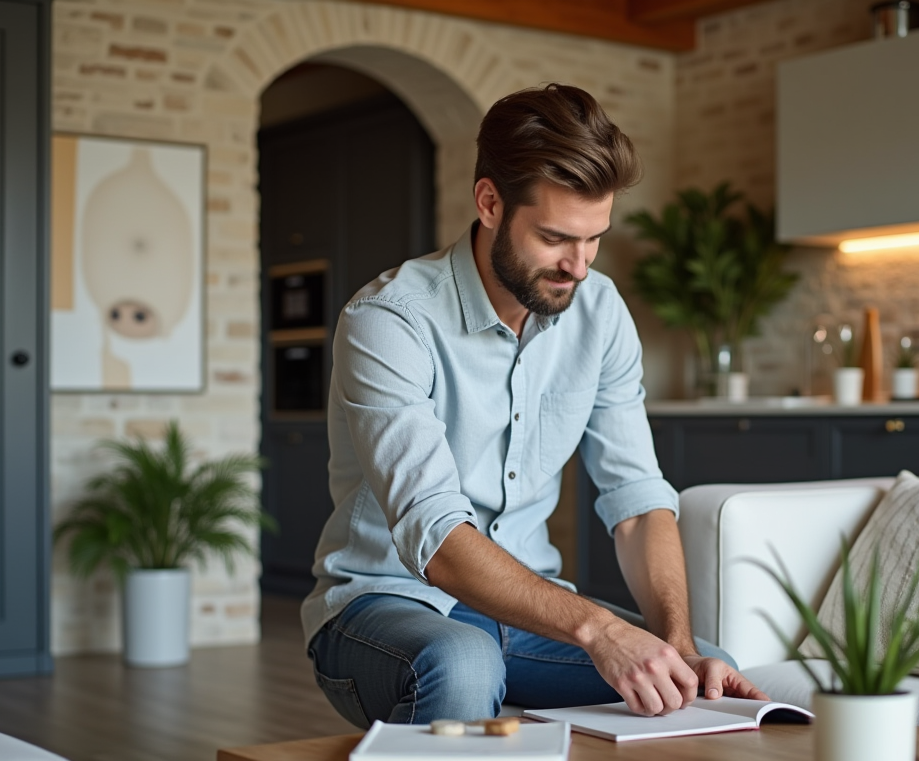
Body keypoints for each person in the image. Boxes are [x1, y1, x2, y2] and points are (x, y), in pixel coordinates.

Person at [301, 83, 766, 727]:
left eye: (594, 238)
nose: (578, 266)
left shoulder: (600, 312)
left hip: (526, 617)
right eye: (555, 238)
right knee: (463, 663)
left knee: (698, 674)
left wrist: (677, 644)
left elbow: (636, 500)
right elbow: (436, 538)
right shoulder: (389, 321)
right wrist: (598, 631)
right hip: (384, 605)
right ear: (490, 202)